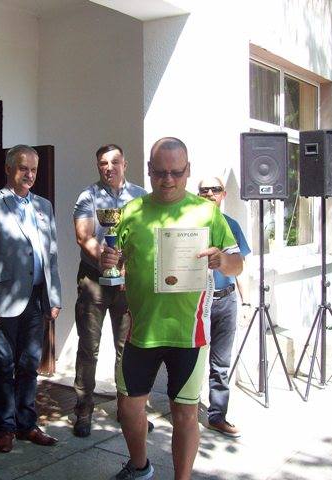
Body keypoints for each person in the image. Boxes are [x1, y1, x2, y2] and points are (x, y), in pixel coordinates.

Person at [102, 138, 242, 480]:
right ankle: (140, 467)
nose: (168, 180)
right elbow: (118, 262)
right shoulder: (131, 212)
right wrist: (110, 261)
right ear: (149, 170)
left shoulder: (207, 212)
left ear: (188, 170)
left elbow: (237, 264)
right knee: (129, 408)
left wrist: (222, 260)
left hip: (188, 333)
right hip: (142, 330)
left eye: (176, 173)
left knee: (185, 413)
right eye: (160, 172)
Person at [0, 145, 62, 454]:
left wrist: (55, 295)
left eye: (34, 169)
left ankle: (27, 423)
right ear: (9, 168)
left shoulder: (44, 205)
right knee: (3, 364)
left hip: (37, 298)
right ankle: (6, 427)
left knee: (29, 364)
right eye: (23, 168)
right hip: (3, 299)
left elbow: (52, 255)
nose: (29, 175)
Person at [72, 144, 147, 437]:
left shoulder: (140, 197)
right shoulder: (88, 196)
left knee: (126, 348)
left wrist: (126, 267)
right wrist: (104, 259)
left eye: (115, 162)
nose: (109, 167)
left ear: (125, 164)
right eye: (103, 163)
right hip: (94, 280)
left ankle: (126, 410)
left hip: (128, 282)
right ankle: (83, 411)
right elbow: (84, 235)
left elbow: (146, 237)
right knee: (88, 348)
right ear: (98, 167)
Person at [198, 176, 251, 438]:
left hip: (226, 301)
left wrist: (246, 301)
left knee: (220, 363)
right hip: (198, 303)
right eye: (204, 190)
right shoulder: (191, 224)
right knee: (192, 360)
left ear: (223, 194)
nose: (209, 193)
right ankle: (186, 411)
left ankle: (217, 416)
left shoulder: (232, 225)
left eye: (215, 189)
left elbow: (241, 266)